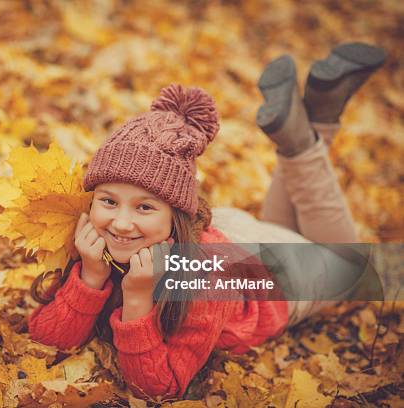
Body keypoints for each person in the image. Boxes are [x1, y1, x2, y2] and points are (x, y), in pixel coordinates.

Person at [26, 42, 386, 400]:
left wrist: (137, 299)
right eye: (108, 201)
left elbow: (157, 388)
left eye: (144, 207)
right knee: (288, 231)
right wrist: (90, 276)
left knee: (351, 264)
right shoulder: (96, 241)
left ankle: (304, 141)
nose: (120, 222)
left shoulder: (204, 278)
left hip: (275, 280)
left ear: (176, 214)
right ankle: (309, 124)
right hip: (233, 238)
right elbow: (46, 341)